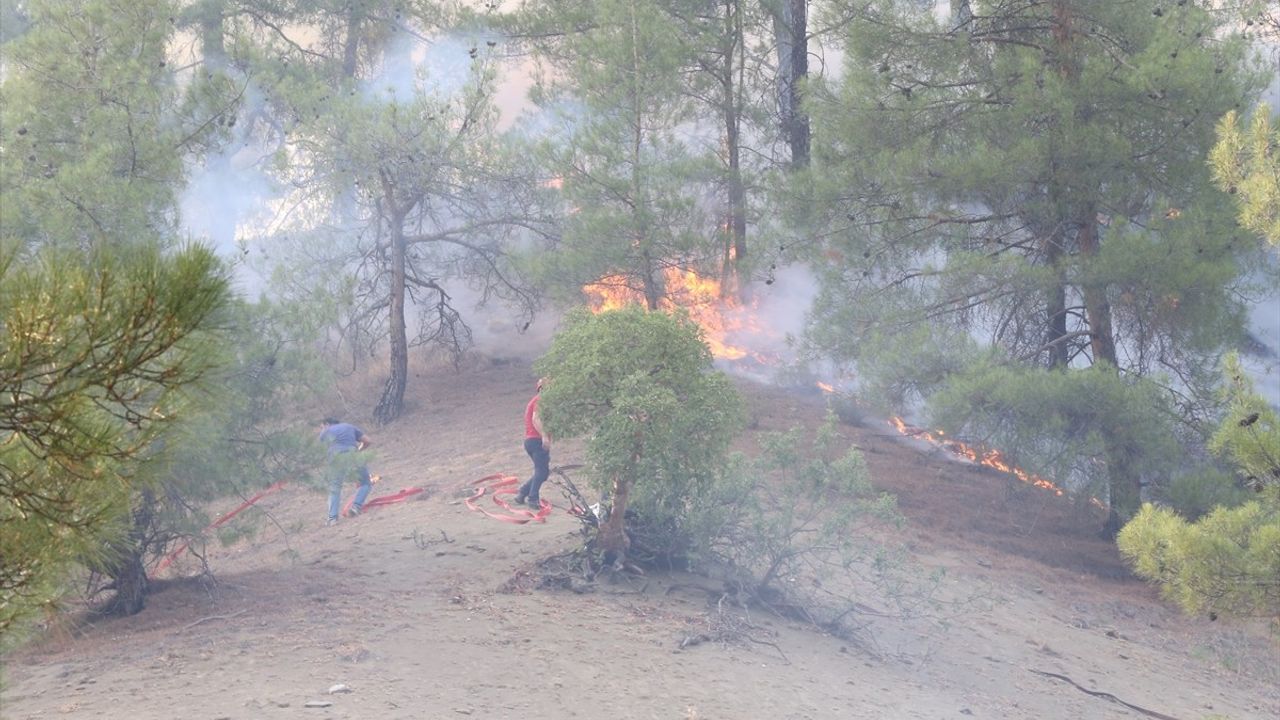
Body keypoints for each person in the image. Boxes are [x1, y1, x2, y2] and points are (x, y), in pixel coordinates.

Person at [319, 417, 373, 525]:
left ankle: (332, 518)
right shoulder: (349, 426)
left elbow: (321, 451)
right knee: (366, 482)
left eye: (321, 426)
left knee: (335, 487)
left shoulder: (325, 432)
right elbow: (368, 441)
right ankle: (356, 507)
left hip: (335, 458)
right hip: (353, 455)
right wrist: (358, 450)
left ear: (326, 424)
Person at [514, 378, 551, 508]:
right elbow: (536, 418)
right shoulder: (541, 400)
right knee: (541, 472)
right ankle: (533, 498)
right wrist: (545, 437)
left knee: (543, 472)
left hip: (531, 441)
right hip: (536, 440)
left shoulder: (537, 400)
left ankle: (522, 492)